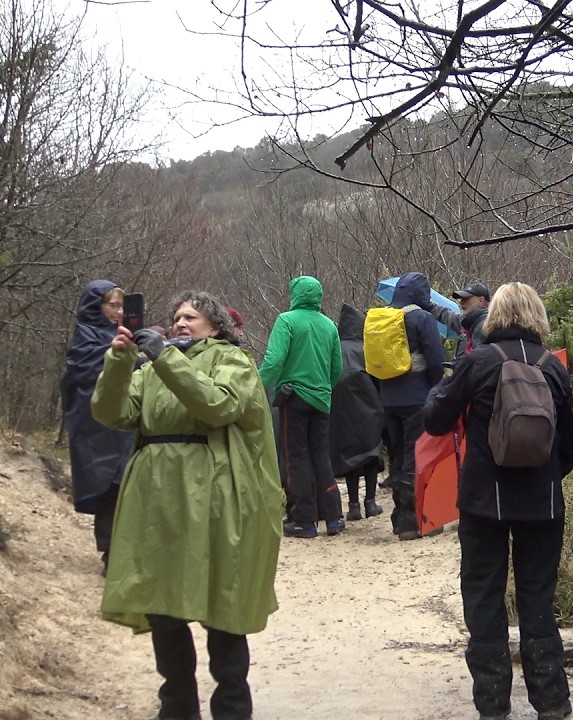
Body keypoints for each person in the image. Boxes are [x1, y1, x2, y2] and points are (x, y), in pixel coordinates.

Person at [91, 290, 283, 720]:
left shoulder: (232, 361)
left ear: (215, 326)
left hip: (215, 497)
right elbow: (112, 413)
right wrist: (120, 360)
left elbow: (217, 405)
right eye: (176, 316)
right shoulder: (151, 368)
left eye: (191, 317)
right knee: (163, 606)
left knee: (222, 603)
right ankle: (177, 707)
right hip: (156, 501)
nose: (180, 323)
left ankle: (231, 707)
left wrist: (164, 357)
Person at [422, 282, 573, 720]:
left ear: (494, 315)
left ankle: (492, 703)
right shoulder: (553, 367)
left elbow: (435, 422)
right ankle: (551, 701)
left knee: (483, 597)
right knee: (538, 598)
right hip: (543, 504)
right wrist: (546, 476)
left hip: (483, 502)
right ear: (537, 316)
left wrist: (440, 387)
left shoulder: (477, 362)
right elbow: (571, 443)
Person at [258, 275, 345, 539]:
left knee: (296, 457)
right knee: (321, 456)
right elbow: (337, 368)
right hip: (322, 399)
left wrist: (254, 386)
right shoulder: (329, 326)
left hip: (293, 398)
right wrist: (323, 389)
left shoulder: (286, 321)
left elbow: (274, 360)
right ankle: (333, 517)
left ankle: (303, 520)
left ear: (295, 294)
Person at [61, 280, 134, 572]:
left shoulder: (118, 333)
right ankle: (110, 553)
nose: (119, 312)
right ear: (96, 306)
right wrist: (122, 356)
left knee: (122, 483)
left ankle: (120, 551)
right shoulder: (87, 334)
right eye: (113, 305)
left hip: (120, 424)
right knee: (108, 485)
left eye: (121, 306)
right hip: (96, 426)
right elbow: (86, 370)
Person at [379, 271, 446, 540]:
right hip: (416, 397)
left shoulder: (382, 318)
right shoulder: (421, 318)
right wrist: (437, 390)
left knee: (396, 455)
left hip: (388, 399)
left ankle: (399, 518)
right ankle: (414, 520)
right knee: (415, 455)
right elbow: (436, 360)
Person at [331, 303, 385, 521]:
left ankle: (353, 505)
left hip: (341, 411)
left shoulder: (334, 348)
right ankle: (370, 502)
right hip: (369, 408)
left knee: (349, 457)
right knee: (371, 453)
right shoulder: (367, 348)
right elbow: (379, 378)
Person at [428, 281, 491, 359]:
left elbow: (480, 361)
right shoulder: (469, 322)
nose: (461, 302)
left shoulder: (485, 327)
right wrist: (428, 305)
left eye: (466, 298)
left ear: (481, 301)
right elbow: (448, 316)